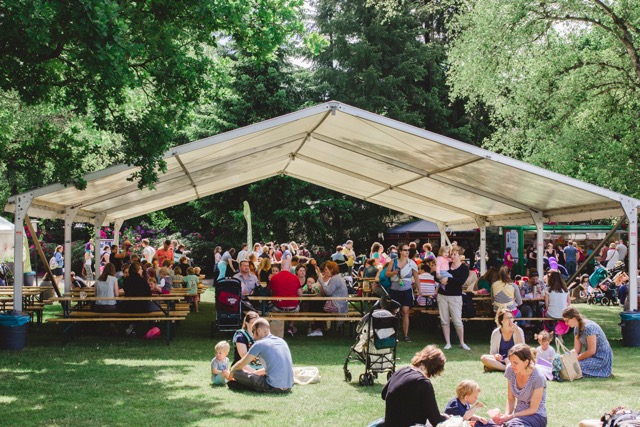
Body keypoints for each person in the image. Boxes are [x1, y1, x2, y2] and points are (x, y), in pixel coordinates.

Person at [381, 345, 448, 427]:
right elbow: (435, 420)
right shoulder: (423, 383)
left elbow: (384, 394)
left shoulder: (402, 370)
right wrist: (448, 418)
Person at [228, 318, 294, 393]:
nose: (252, 335)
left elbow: (241, 364)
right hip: (288, 387)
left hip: (272, 386)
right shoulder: (281, 341)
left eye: (253, 331)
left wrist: (231, 372)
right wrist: (253, 373)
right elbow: (272, 368)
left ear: (258, 330)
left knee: (236, 372)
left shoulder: (259, 344)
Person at [492, 344, 547, 427]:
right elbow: (511, 399)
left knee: (512, 425)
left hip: (536, 416)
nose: (512, 365)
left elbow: (533, 409)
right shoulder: (510, 369)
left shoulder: (538, 377)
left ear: (526, 362)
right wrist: (506, 416)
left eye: (516, 363)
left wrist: (511, 416)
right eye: (511, 362)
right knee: (488, 423)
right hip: (517, 416)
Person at [562, 307, 613, 378]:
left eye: (567, 321)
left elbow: (591, 351)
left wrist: (576, 359)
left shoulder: (589, 327)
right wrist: (566, 357)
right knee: (567, 365)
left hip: (601, 358)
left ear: (573, 319)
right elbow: (576, 349)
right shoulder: (576, 329)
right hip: (591, 357)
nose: (566, 323)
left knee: (575, 366)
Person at [438, 246, 471, 350]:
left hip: (455, 297)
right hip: (442, 295)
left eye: (454, 254)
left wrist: (448, 279)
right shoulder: (446, 263)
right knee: (444, 320)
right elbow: (436, 273)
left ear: (460, 256)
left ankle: (462, 342)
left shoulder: (464, 268)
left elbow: (461, 281)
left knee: (457, 320)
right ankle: (448, 343)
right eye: (451, 254)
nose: (452, 256)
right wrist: (440, 278)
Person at [385, 243, 419, 342]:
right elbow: (387, 274)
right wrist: (394, 272)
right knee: (394, 312)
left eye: (408, 250)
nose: (407, 252)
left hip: (407, 289)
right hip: (395, 289)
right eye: (405, 250)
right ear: (400, 251)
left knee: (405, 312)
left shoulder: (412, 263)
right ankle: (393, 334)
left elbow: (416, 277)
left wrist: (419, 290)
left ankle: (406, 335)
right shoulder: (393, 261)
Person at [269, 268, 303, 336]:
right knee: (297, 307)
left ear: (281, 268)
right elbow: (300, 294)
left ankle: (277, 327)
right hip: (293, 308)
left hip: (278, 307)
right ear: (289, 267)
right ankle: (290, 327)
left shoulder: (274, 278)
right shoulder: (295, 277)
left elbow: (271, 293)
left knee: (271, 307)